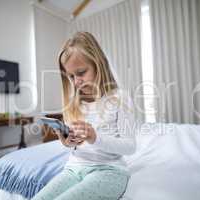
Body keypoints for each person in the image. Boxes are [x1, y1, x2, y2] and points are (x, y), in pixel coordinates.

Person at [32, 32, 136, 200]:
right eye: (71, 76)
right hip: (73, 168)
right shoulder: (75, 103)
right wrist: (67, 141)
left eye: (81, 72)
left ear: (98, 64)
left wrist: (95, 137)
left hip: (109, 171)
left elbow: (130, 147)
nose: (76, 82)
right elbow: (76, 146)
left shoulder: (119, 99)